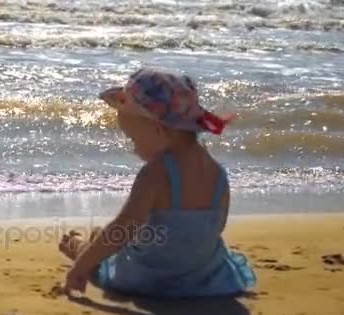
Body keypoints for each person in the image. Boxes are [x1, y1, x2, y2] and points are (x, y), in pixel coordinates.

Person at [59, 67, 256, 297]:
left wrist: (80, 268)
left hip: (149, 278)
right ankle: (94, 241)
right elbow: (213, 230)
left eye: (133, 139)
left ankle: (77, 247)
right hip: (201, 280)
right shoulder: (218, 174)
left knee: (101, 257)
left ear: (157, 130)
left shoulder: (156, 174)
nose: (133, 149)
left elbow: (123, 228)